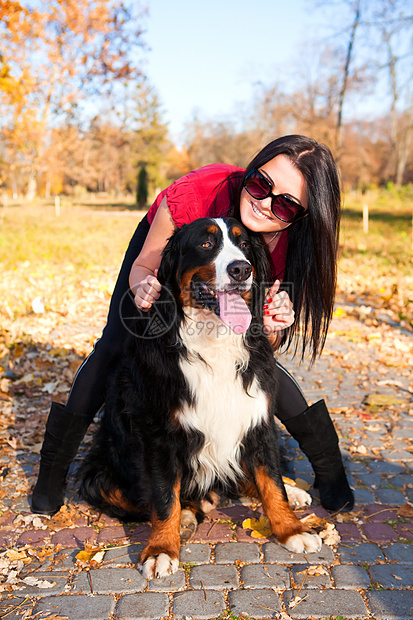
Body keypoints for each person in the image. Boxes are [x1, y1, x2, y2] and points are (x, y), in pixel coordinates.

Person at [31, 135, 354, 517]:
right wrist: (144, 286)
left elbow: (263, 340)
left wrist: (275, 322)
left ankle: (331, 472)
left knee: (258, 366)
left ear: (300, 215)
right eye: (261, 184)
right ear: (250, 172)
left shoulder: (290, 243)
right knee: (118, 343)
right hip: (164, 253)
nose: (265, 203)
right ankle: (51, 475)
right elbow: (144, 266)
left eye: (284, 204)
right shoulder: (200, 190)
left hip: (227, 283)